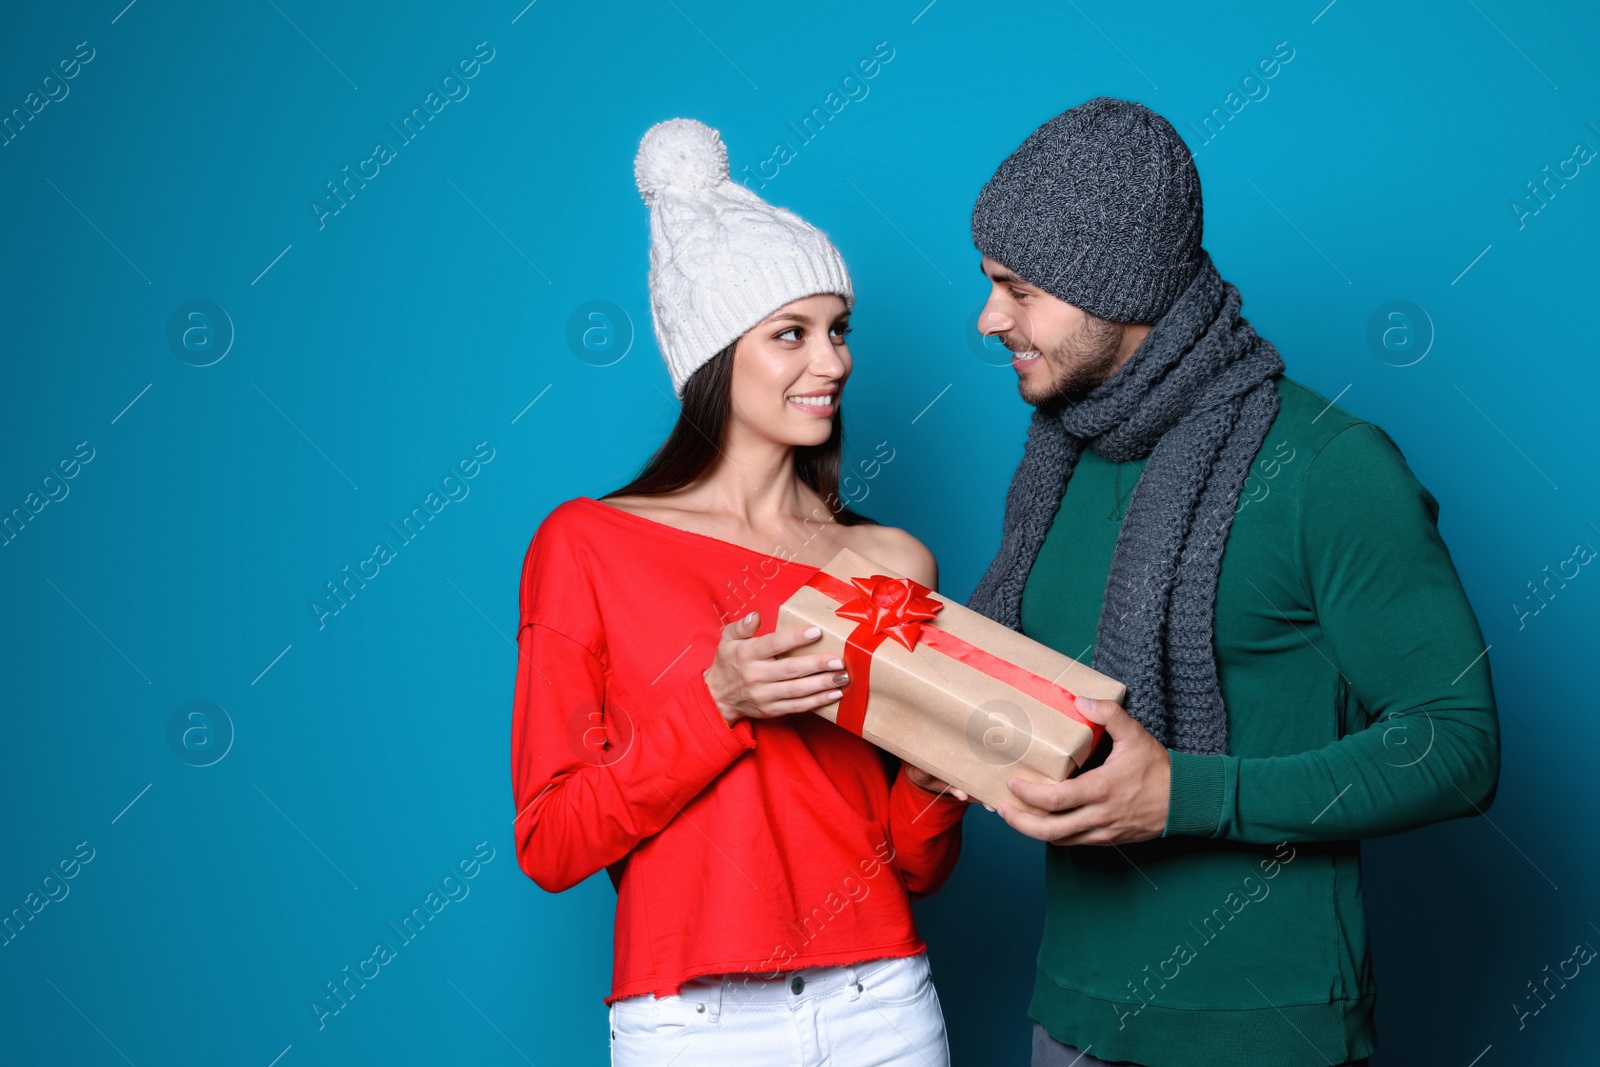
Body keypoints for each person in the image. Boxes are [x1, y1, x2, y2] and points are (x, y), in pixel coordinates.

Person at [962, 97, 1500, 1067]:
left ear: (1116, 285)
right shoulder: (1059, 462)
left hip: (1263, 1027)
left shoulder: (1331, 464)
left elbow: (1455, 745)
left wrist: (1184, 796)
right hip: (1070, 1014)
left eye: (1018, 288)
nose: (988, 318)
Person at [510, 118, 969, 1067]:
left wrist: (941, 777)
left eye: (839, 331)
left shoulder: (892, 560)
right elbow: (552, 840)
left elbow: (917, 863)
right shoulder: (589, 544)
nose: (833, 363)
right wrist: (718, 702)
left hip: (881, 1001)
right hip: (691, 1024)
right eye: (791, 334)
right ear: (715, 355)